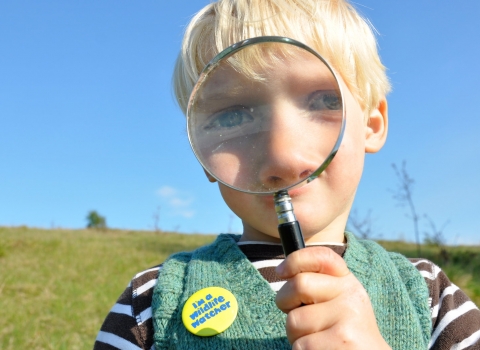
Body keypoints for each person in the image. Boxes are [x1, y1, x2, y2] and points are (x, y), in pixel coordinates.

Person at [94, 0, 480, 349]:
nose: (281, 156)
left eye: (324, 101)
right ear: (201, 153)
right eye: (231, 116)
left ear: (373, 125)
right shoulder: (150, 302)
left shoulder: (430, 296)